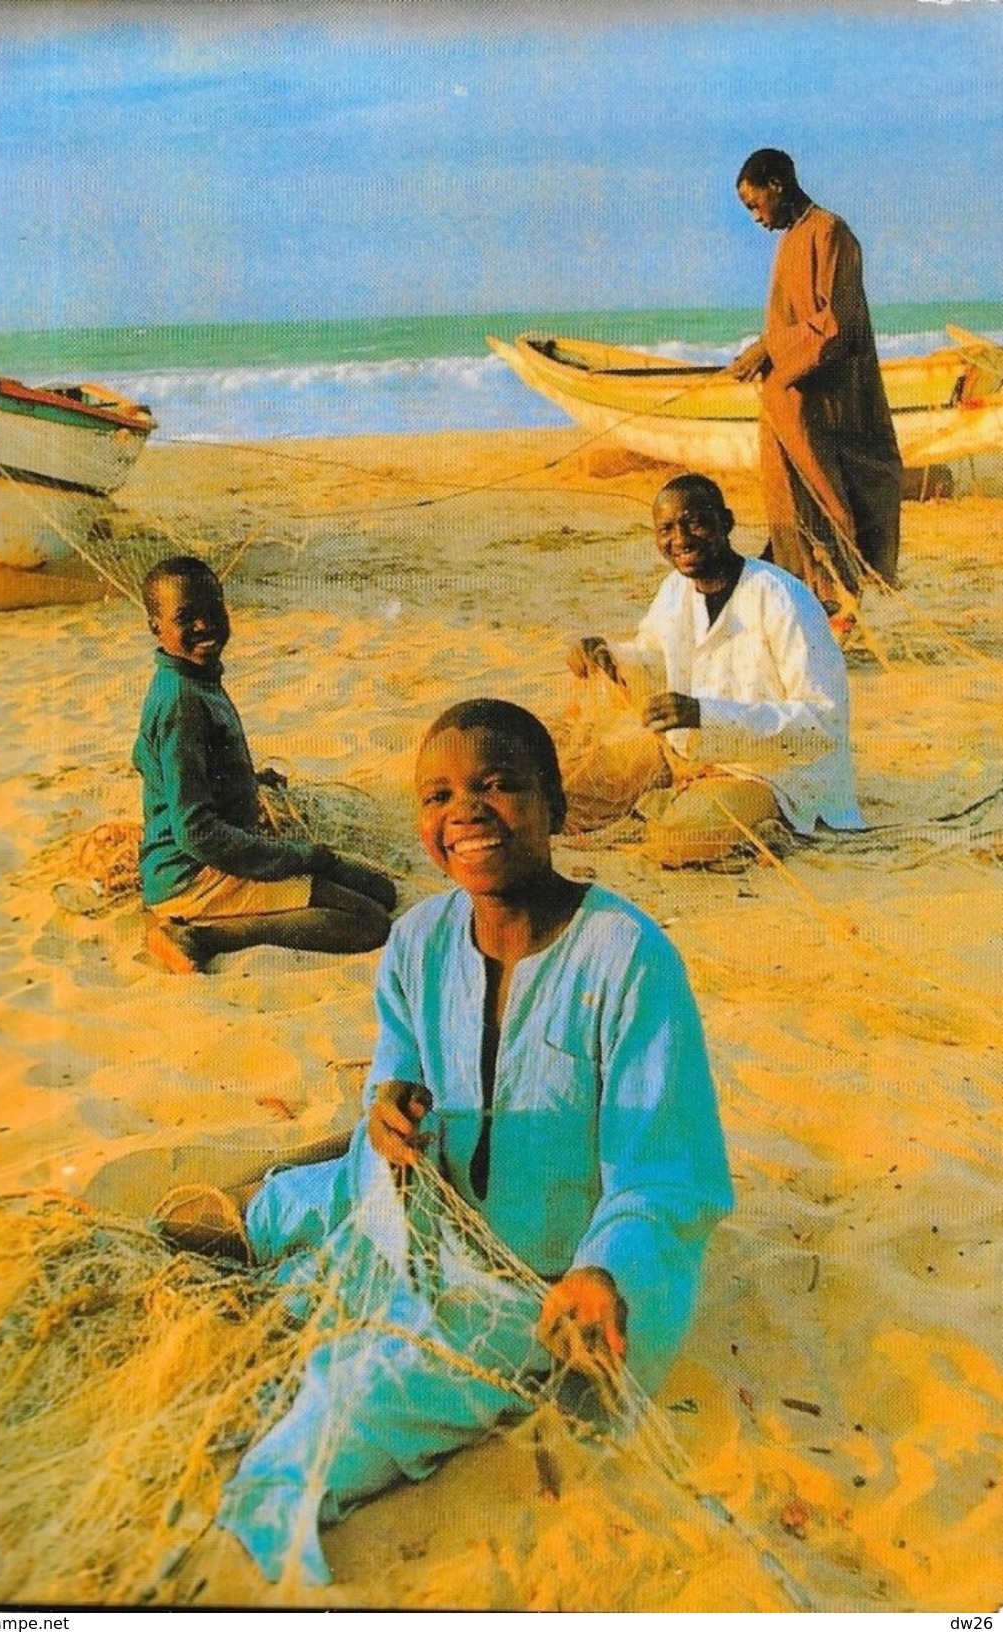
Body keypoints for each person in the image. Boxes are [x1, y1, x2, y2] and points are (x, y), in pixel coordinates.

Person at [204, 698, 732, 1585]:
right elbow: (391, 1075)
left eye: (498, 786)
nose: (466, 813)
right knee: (296, 1207)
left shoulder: (628, 958)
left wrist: (605, 1270)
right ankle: (277, 1219)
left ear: (555, 807)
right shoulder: (415, 940)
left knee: (326, 1420)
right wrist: (387, 1111)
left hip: (539, 1289)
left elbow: (662, 1169)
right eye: (438, 795)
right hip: (425, 1220)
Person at [567, 474, 864, 861]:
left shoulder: (781, 598)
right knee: (570, 798)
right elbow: (653, 660)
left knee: (678, 840)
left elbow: (821, 726)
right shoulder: (674, 591)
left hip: (776, 776)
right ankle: (678, 798)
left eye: (694, 522)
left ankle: (745, 821)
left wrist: (704, 714)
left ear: (726, 522)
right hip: (694, 761)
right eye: (666, 530)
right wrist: (608, 657)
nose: (681, 539)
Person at [134, 556, 395, 973]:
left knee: (381, 890)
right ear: (156, 626)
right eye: (186, 617)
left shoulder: (195, 679)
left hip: (215, 854)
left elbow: (186, 774)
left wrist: (246, 781)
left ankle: (221, 917)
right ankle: (199, 934)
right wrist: (295, 856)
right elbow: (195, 831)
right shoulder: (180, 701)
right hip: (194, 871)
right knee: (368, 921)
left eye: (212, 610)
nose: (204, 625)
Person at [729, 148, 902, 615]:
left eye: (753, 203)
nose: (755, 217)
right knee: (792, 504)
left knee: (836, 500)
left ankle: (841, 604)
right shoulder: (791, 239)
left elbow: (835, 326)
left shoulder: (829, 233)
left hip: (828, 404)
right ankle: (814, 605)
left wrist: (768, 348)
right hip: (790, 403)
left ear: (777, 185)